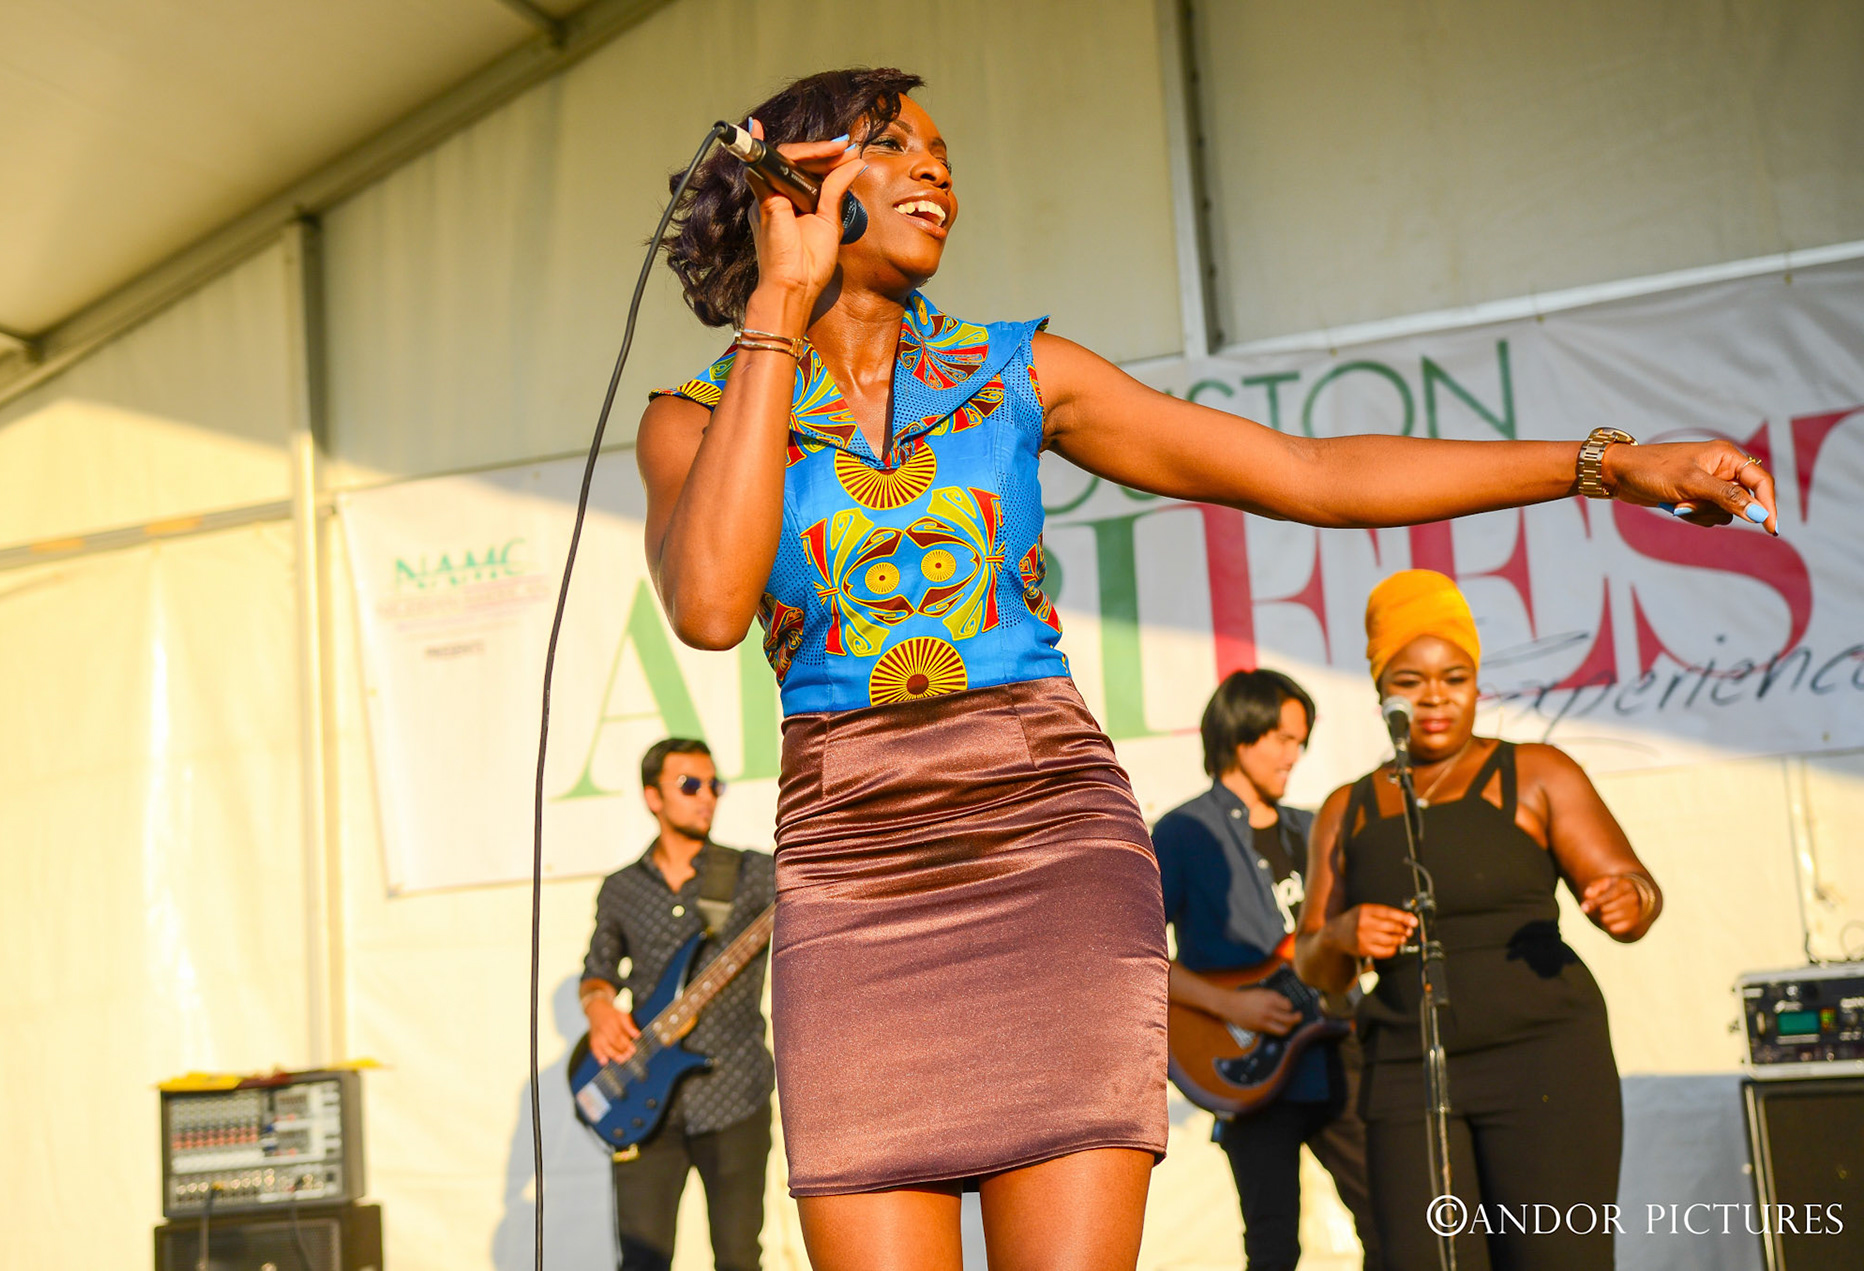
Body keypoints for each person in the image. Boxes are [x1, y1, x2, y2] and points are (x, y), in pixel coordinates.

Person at [633, 65, 1768, 1270]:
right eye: (894, 144)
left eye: (944, 154)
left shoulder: (1015, 372)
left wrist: (1606, 464)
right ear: (795, 181)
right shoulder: (694, 419)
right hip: (853, 874)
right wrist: (780, 302)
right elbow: (708, 607)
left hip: (1050, 849)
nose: (937, 171)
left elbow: (1311, 474)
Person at [1293, 571, 1664, 1271]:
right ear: (1380, 689)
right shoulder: (1348, 808)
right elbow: (1313, 962)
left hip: (1545, 1059)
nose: (1435, 697)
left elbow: (1634, 888)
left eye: (1454, 678)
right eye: (1410, 680)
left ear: (1475, 683)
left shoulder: (1538, 773)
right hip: (1405, 1069)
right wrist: (1341, 935)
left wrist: (1628, 900)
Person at [1154, 670, 1380, 1271]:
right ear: (1239, 733)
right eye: (1281, 738)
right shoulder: (1182, 833)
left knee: (1392, 1222)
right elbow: (1134, 953)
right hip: (1246, 1067)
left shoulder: (1315, 827)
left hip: (1337, 1054)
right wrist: (1231, 1004)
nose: (1293, 754)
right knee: (1274, 1245)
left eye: (1300, 741)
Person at [578, 738, 775, 1271]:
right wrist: (599, 1009)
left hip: (734, 1093)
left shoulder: (754, 873)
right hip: (640, 1098)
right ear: (653, 797)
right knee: (641, 1262)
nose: (707, 796)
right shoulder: (621, 888)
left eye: (715, 785)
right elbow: (598, 973)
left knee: (739, 1260)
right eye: (690, 785)